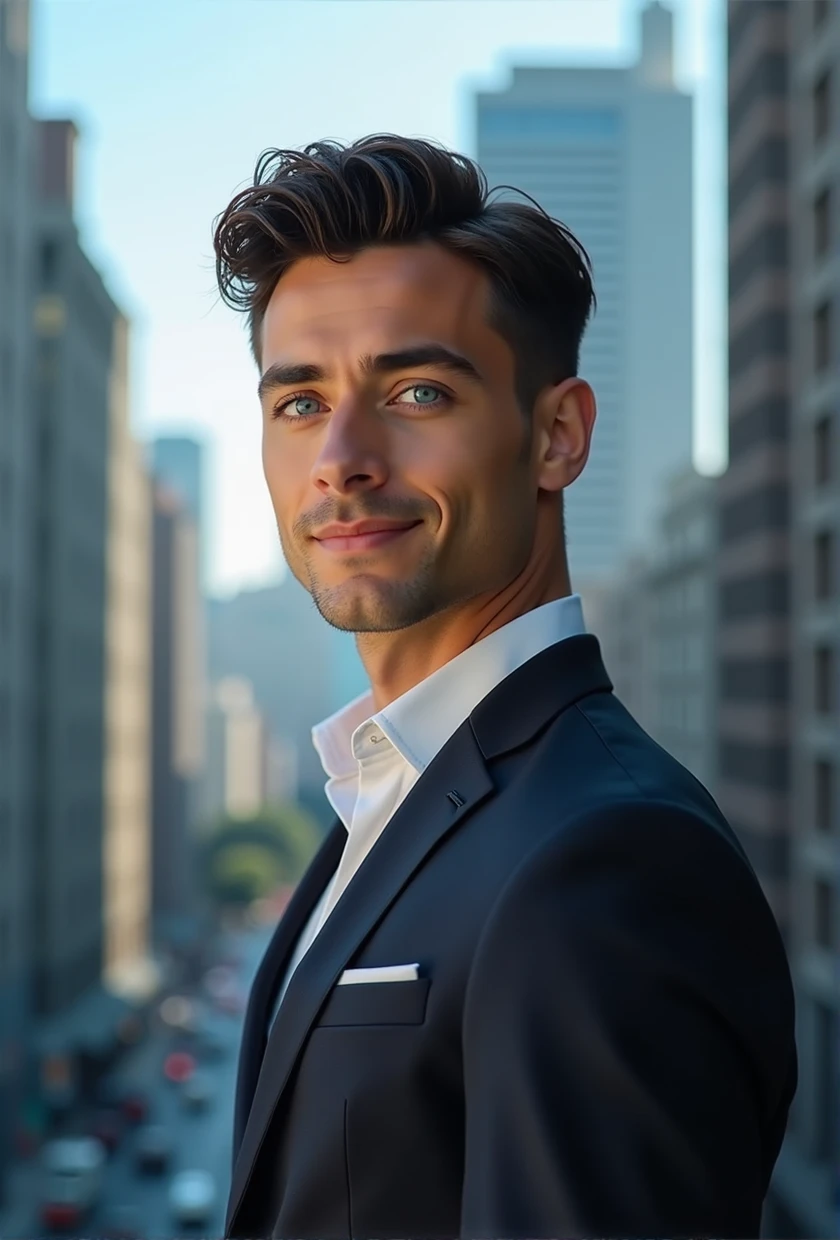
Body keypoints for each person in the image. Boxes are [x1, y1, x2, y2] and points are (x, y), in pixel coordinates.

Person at [213, 134, 796, 1240]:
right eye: (297, 402)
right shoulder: (380, 798)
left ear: (557, 435)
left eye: (417, 389)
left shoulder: (609, 858)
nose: (340, 455)